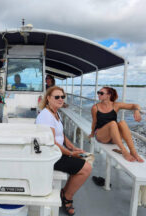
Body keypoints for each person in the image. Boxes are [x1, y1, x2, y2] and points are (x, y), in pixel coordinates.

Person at [36, 86, 92, 216]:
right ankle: (67, 197)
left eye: (62, 97)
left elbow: (61, 135)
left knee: (84, 159)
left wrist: (73, 147)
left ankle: (65, 192)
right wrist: (71, 154)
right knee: (86, 168)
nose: (60, 99)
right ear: (48, 98)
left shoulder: (55, 112)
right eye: (57, 97)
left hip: (56, 151)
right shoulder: (46, 116)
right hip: (50, 155)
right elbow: (52, 142)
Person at [88, 87, 144, 162]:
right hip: (101, 135)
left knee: (122, 123)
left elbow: (135, 105)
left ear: (109, 95)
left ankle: (133, 151)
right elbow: (94, 122)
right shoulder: (95, 107)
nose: (98, 94)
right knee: (113, 123)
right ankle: (124, 151)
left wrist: (136, 111)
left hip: (114, 137)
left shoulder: (116, 105)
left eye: (101, 93)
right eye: (98, 92)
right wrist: (92, 133)